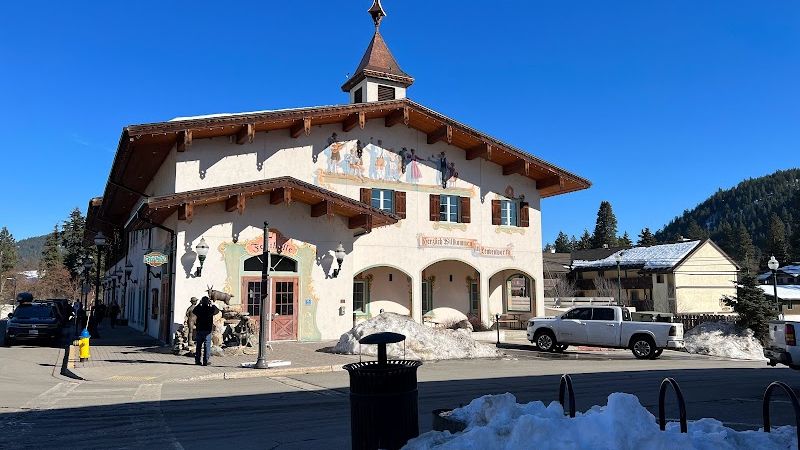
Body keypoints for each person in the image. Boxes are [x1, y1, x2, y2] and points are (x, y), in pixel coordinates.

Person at [191, 296, 220, 366]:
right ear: (208, 302)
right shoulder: (210, 309)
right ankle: (205, 361)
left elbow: (194, 311)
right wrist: (212, 304)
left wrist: (199, 304)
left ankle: (197, 361)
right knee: (207, 346)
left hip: (199, 329)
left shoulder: (199, 309)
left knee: (198, 346)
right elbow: (217, 310)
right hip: (207, 330)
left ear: (202, 301)